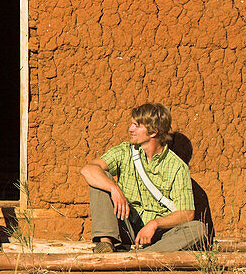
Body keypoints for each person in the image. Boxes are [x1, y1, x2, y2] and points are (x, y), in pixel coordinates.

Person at [80, 103, 208, 252]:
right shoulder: (124, 152)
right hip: (124, 226)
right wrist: (114, 188)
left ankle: (143, 255)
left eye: (136, 125)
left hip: (157, 236)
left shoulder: (177, 167)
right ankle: (107, 244)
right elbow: (88, 169)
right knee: (101, 177)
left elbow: (187, 213)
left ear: (153, 131)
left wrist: (155, 224)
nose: (130, 129)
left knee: (198, 229)